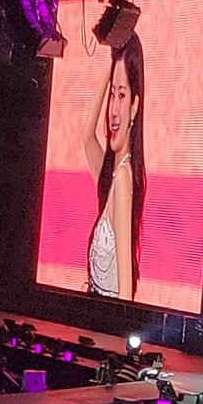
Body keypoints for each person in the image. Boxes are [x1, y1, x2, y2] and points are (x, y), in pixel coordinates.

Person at [83, 26, 147, 301]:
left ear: (134, 106)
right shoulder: (111, 176)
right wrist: (111, 65)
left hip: (106, 312)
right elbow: (87, 136)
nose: (113, 111)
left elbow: (125, 288)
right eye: (112, 95)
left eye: (121, 95)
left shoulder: (123, 179)